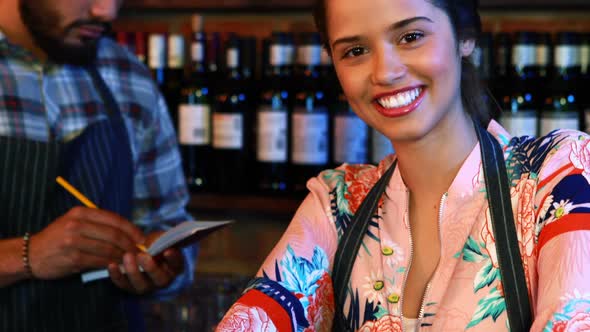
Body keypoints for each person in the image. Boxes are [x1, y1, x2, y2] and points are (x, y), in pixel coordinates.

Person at [216, 0, 590, 331]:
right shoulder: (338, 203)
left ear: (465, 36)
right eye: (356, 50)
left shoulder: (558, 173)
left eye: (410, 37)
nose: (384, 72)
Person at [0, 0, 197, 331]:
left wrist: (163, 266)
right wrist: (28, 256)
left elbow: (169, 221)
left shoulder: (128, 76)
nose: (107, 12)